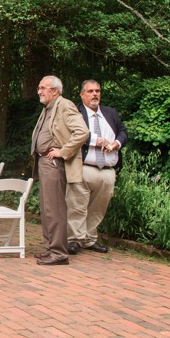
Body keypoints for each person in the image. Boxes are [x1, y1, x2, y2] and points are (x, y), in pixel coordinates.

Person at [30, 75, 88, 266]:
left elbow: (82, 132)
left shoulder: (64, 105)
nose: (39, 91)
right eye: (39, 88)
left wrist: (63, 152)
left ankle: (58, 253)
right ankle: (50, 248)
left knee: (55, 209)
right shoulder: (49, 107)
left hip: (54, 163)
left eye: (43, 88)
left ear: (55, 90)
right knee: (47, 209)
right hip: (44, 162)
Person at [66, 80, 127, 255]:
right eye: (90, 91)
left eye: (97, 91)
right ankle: (74, 239)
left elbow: (123, 132)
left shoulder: (110, 113)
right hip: (84, 166)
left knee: (99, 208)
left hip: (107, 170)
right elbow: (70, 133)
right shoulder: (76, 113)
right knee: (77, 205)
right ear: (82, 95)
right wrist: (95, 140)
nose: (95, 94)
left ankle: (89, 238)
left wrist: (116, 143)